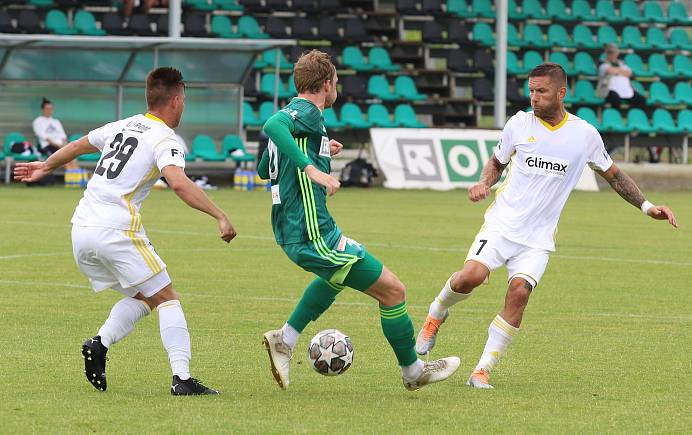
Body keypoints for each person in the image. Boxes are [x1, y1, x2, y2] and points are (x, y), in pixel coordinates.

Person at [414, 62, 678, 389]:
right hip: (502, 224)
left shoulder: (584, 135)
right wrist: (484, 183)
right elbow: (496, 162)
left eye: (542, 92)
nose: (534, 98)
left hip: (537, 239)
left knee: (519, 292)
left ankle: (482, 370)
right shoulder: (519, 124)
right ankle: (435, 314)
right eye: (531, 91)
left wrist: (647, 207)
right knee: (472, 276)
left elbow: (615, 176)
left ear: (561, 93)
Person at [14, 67, 237, 396]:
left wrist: (45, 166)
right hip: (116, 229)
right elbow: (177, 182)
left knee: (145, 298)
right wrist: (219, 215)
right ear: (175, 101)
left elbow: (77, 146)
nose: (184, 106)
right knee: (167, 298)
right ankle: (182, 379)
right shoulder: (164, 138)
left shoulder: (122, 125)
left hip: (81, 229)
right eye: (184, 100)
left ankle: (100, 344)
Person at [258, 49, 460, 392]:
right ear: (326, 84)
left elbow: (266, 169)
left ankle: (285, 340)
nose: (336, 88)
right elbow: (272, 126)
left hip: (293, 229)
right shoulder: (304, 112)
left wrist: (319, 149)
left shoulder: (302, 118)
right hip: (312, 231)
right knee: (394, 291)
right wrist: (313, 169)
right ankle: (413, 371)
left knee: (334, 279)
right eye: (335, 82)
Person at [32, 98, 79, 170]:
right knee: (65, 156)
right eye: (47, 109)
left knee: (72, 153)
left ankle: (77, 174)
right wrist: (59, 146)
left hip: (61, 146)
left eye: (51, 109)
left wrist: (65, 146)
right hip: (48, 146)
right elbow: (45, 138)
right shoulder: (38, 121)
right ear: (43, 109)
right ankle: (73, 176)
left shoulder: (56, 121)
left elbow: (64, 137)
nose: (49, 111)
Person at [596, 43, 646, 109]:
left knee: (641, 100)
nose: (612, 54)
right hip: (609, 90)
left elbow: (629, 73)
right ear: (606, 53)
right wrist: (621, 71)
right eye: (610, 52)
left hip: (625, 89)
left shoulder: (622, 63)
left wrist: (616, 71)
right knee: (615, 100)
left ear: (617, 53)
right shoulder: (602, 64)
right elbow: (610, 71)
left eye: (613, 52)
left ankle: (631, 116)